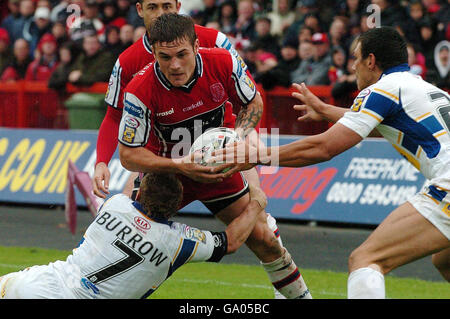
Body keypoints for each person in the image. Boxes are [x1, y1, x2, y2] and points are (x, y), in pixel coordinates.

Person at [213, 27, 450, 297]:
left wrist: (257, 155)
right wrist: (326, 110)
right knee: (444, 260)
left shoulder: (381, 90)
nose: (354, 65)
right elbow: (381, 125)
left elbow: (323, 148)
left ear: (371, 61)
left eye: (356, 58)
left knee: (365, 260)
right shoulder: (422, 88)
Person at [117, 13, 312, 300]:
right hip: (168, 178)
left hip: (219, 171)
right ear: (154, 54)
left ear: (196, 46)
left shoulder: (224, 61)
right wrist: (179, 165)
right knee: (133, 247)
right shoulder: (139, 89)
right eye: (165, 57)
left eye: (182, 54)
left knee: (266, 241)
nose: (175, 65)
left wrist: (238, 138)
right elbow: (128, 155)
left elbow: (253, 102)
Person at [0, 172, 268, 299]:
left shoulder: (116, 203)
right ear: (177, 207)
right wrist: (255, 202)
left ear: (140, 193)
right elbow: (231, 241)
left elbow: (134, 184)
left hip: (36, 286)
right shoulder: (179, 242)